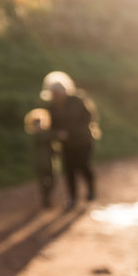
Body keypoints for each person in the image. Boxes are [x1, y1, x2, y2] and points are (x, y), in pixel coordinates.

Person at [40, 70, 100, 210]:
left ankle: (91, 188)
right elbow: (51, 126)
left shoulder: (77, 100)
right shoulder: (51, 107)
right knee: (69, 170)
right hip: (66, 144)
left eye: (59, 91)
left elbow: (89, 118)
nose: (57, 95)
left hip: (83, 140)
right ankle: (73, 198)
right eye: (54, 92)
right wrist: (57, 135)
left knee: (83, 165)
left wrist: (73, 131)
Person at [23, 107, 56, 207]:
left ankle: (47, 196)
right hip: (40, 162)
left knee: (52, 181)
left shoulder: (46, 133)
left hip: (49, 162)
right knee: (42, 182)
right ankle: (45, 198)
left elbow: (52, 145)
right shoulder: (35, 136)